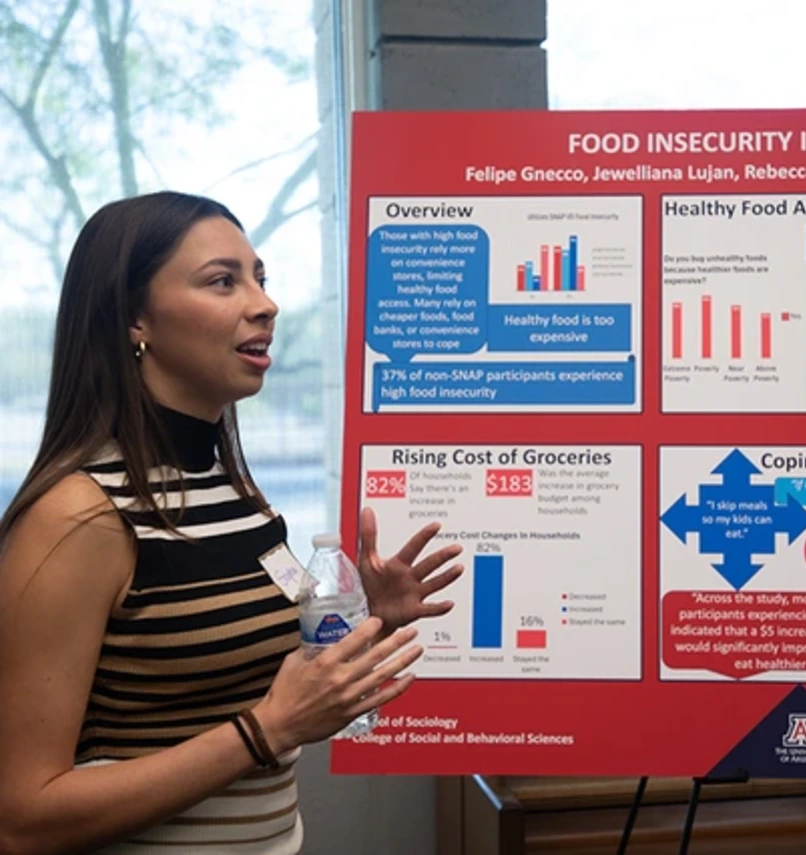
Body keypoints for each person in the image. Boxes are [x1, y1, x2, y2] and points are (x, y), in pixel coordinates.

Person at [0, 192, 463, 854]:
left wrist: (368, 625)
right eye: (223, 281)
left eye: (260, 277)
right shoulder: (79, 517)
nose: (265, 304)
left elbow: (250, 686)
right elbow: (21, 817)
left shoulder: (234, 490)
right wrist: (264, 730)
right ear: (136, 318)